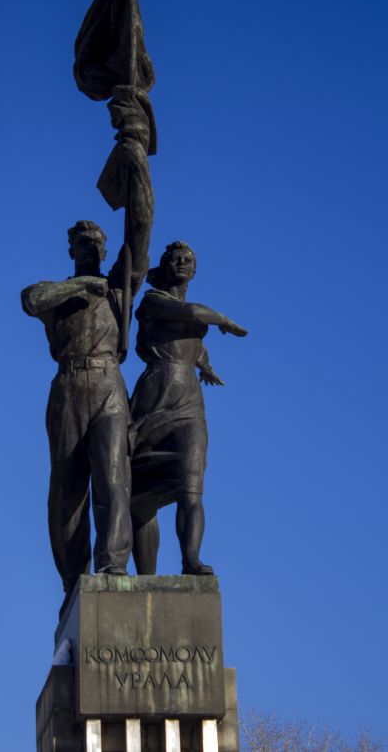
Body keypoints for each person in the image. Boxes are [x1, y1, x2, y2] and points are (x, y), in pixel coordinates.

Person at [21, 90, 154, 608]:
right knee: (67, 495)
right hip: (68, 388)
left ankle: (112, 568)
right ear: (73, 252)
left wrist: (136, 156)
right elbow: (31, 300)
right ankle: (71, 582)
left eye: (100, 246)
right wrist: (82, 287)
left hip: (108, 387)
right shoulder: (63, 293)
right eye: (87, 246)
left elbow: (140, 225)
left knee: (113, 481)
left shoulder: (120, 286)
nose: (96, 251)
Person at [129, 241, 247, 575]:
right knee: (140, 498)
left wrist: (205, 365)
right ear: (163, 267)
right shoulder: (153, 301)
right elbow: (192, 316)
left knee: (191, 484)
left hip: (190, 404)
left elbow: (192, 345)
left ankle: (191, 560)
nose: (181, 262)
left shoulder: (176, 307)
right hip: (155, 396)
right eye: (175, 258)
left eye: (188, 260)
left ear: (194, 270)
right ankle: (146, 578)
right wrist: (223, 320)